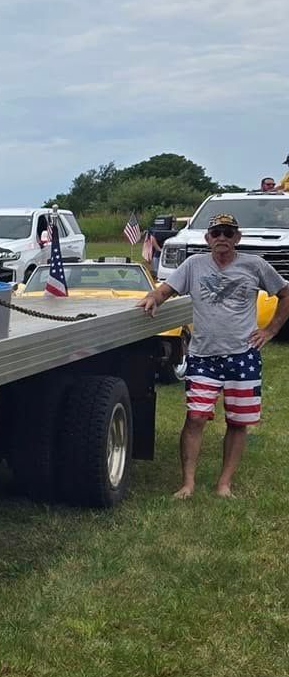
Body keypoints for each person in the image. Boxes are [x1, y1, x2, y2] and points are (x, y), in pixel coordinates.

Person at [139, 212, 288, 498]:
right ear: (207, 239)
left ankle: (224, 484)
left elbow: (285, 293)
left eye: (228, 233)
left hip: (242, 356)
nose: (222, 238)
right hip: (203, 356)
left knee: (237, 421)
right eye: (216, 233)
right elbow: (166, 290)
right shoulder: (194, 265)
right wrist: (153, 298)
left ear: (237, 238)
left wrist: (270, 330)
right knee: (195, 417)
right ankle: (188, 484)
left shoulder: (255, 265)